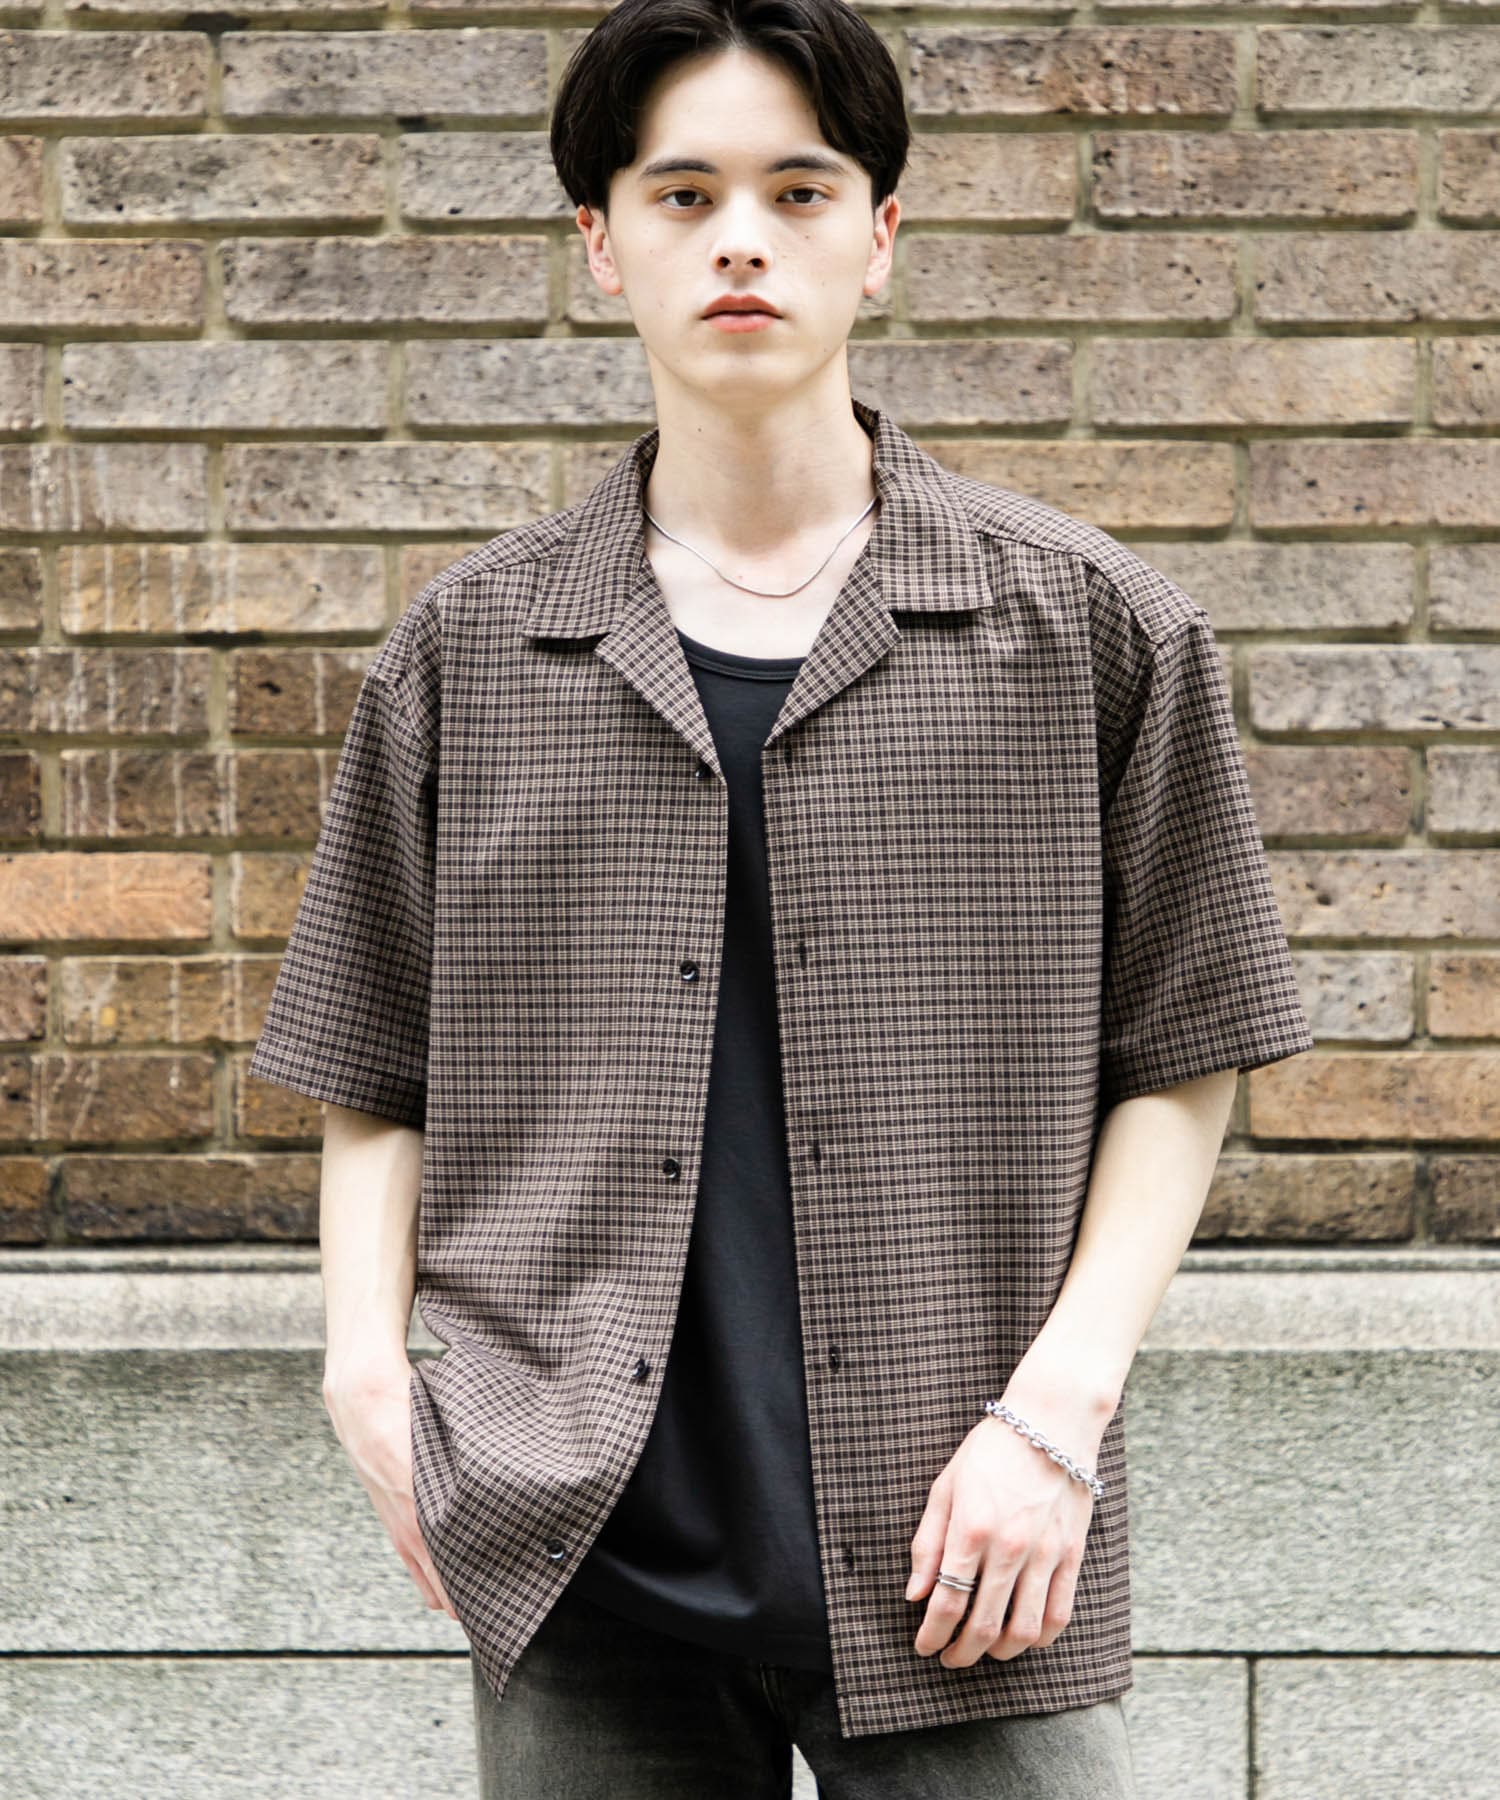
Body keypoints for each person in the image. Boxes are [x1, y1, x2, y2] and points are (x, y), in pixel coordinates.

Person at [247, 1, 1316, 1793]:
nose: (740, 238)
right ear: (601, 244)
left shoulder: (1090, 630)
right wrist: (366, 1371)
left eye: (799, 191)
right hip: (581, 1542)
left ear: (878, 237)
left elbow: (1186, 1051)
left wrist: (1057, 1419)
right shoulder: (471, 651)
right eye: (682, 195)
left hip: (966, 1530)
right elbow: (375, 1064)